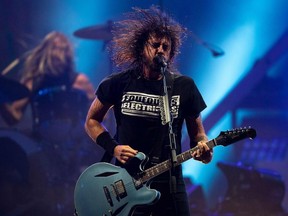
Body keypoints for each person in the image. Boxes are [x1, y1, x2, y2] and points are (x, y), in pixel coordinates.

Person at [85, 6, 213, 216]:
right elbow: (91, 120)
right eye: (155, 45)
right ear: (141, 47)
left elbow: (198, 132)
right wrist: (114, 148)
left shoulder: (184, 86)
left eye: (166, 46)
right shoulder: (118, 83)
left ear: (171, 53)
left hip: (170, 181)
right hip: (127, 181)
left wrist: (203, 146)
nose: (160, 50)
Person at [0, 31, 96, 215]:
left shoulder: (78, 80)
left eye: (63, 49)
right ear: (45, 52)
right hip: (43, 143)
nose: (59, 54)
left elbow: (100, 111)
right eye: (55, 49)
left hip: (77, 141)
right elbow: (14, 117)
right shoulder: (33, 80)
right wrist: (3, 99)